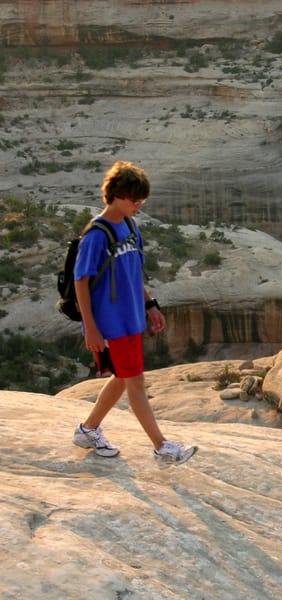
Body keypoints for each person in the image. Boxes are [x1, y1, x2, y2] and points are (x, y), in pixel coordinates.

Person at [71, 160, 197, 465]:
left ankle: (87, 430)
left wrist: (150, 304)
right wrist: (90, 327)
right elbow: (81, 280)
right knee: (135, 381)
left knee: (121, 379)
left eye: (142, 201)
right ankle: (162, 447)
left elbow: (133, 272)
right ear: (116, 195)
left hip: (131, 319)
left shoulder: (129, 226)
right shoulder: (97, 235)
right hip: (111, 324)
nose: (139, 206)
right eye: (135, 200)